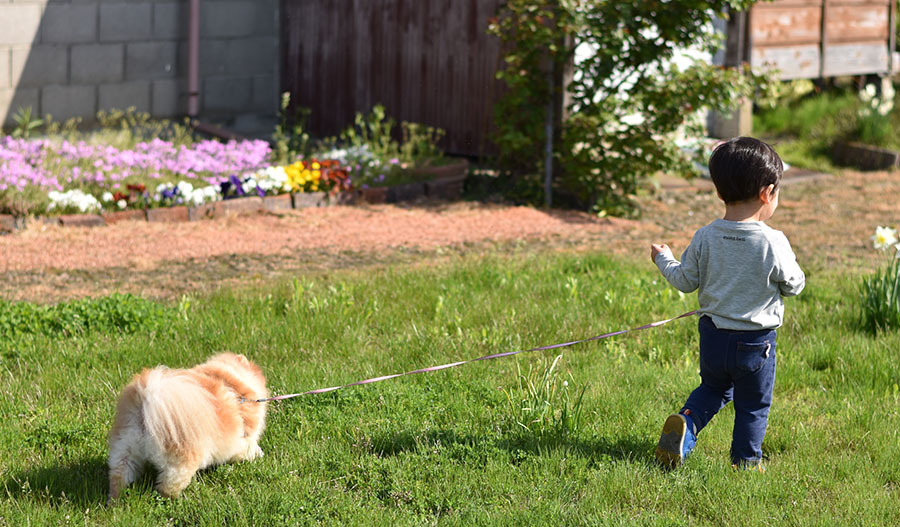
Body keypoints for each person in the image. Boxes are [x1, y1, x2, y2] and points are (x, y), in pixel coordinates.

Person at [650, 136, 806, 469]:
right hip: (755, 344)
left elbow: (685, 281)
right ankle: (746, 462)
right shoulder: (773, 241)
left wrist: (664, 259)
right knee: (752, 405)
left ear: (719, 192)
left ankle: (686, 427)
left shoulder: (705, 235)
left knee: (713, 389)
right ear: (767, 193)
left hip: (713, 337)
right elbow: (793, 285)